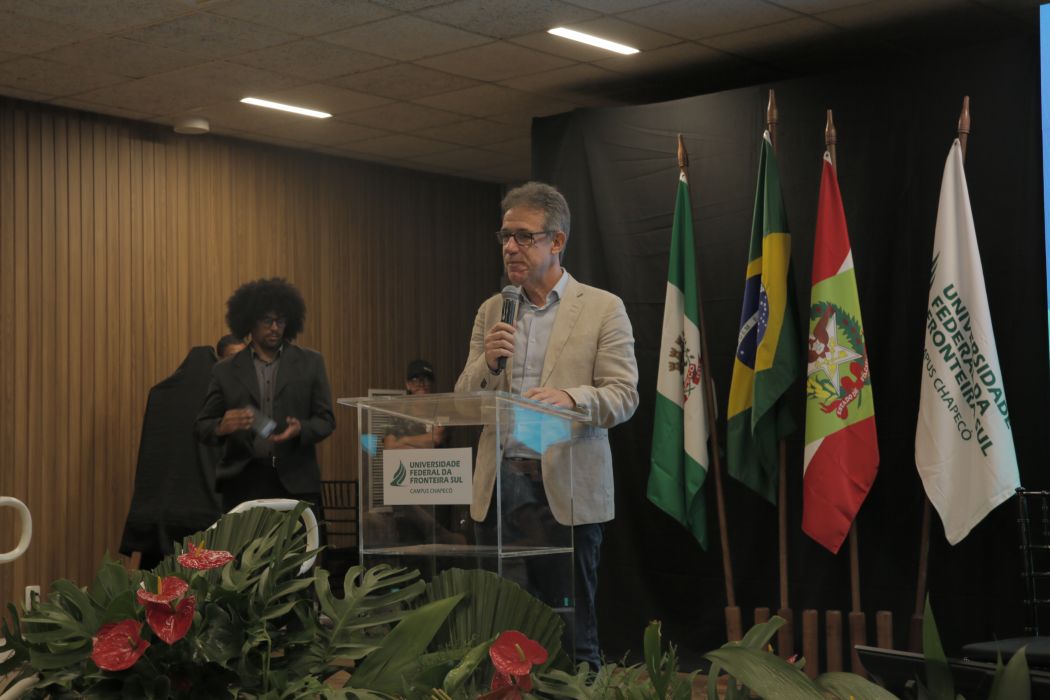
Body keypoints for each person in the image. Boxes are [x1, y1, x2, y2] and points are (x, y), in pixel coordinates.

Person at [454, 182, 639, 669]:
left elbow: (624, 396)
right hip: (500, 487)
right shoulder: (493, 310)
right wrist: (488, 363)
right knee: (503, 631)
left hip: (564, 490)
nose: (510, 247)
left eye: (524, 236)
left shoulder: (602, 307)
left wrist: (572, 398)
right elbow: (465, 403)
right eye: (505, 236)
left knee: (571, 631)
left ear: (557, 241)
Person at [194, 278, 335, 512]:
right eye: (267, 320)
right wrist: (221, 427)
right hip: (242, 482)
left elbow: (326, 420)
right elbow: (202, 426)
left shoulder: (311, 363)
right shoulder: (225, 371)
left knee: (301, 538)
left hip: (296, 481)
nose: (275, 327)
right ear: (250, 322)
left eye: (281, 320)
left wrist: (301, 428)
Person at [383, 359, 446, 450]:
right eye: (416, 380)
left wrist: (404, 440)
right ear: (408, 385)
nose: (422, 385)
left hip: (435, 459)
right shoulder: (397, 414)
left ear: (431, 384)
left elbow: (435, 439)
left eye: (426, 380)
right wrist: (420, 444)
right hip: (403, 460)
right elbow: (389, 447)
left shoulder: (440, 411)